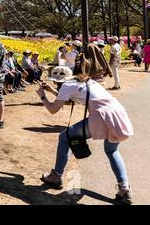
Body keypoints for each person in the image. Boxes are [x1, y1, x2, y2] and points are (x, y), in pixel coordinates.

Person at [36, 66, 134, 204]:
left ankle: (56, 176)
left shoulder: (66, 86)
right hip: (117, 112)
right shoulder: (86, 81)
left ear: (56, 81)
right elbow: (72, 98)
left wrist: (42, 95)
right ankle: (124, 189)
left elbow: (53, 109)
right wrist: (51, 91)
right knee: (112, 150)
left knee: (64, 138)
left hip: (101, 115)